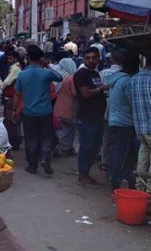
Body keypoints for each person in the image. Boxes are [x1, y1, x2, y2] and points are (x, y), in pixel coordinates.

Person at [13, 45, 62, 175]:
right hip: (45, 111)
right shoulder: (46, 73)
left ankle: (32, 165)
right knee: (46, 137)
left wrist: (14, 110)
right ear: (41, 58)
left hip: (28, 112)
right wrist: (47, 65)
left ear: (28, 58)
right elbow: (60, 77)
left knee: (30, 139)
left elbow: (17, 95)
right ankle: (45, 157)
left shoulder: (22, 75)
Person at [73, 47, 108, 186]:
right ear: (84, 59)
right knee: (87, 146)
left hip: (97, 117)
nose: (91, 60)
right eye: (88, 58)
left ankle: (86, 173)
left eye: (94, 57)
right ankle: (82, 175)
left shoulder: (95, 74)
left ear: (98, 58)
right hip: (87, 117)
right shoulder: (81, 74)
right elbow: (85, 93)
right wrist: (101, 89)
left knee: (95, 146)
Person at [106, 49, 137, 189]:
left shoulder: (116, 79)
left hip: (114, 120)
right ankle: (117, 181)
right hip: (125, 122)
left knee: (115, 151)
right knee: (123, 153)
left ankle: (113, 176)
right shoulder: (127, 81)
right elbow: (133, 102)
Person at [98, 51, 124, 171]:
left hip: (105, 104)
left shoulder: (103, 73)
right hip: (120, 106)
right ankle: (116, 162)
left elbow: (98, 88)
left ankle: (104, 161)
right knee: (118, 137)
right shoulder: (124, 74)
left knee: (106, 135)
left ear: (110, 60)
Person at [130, 55, 151, 187]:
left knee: (143, 156)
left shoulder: (134, 79)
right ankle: (149, 190)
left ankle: (140, 188)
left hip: (140, 126)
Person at [52, 58, 78, 156]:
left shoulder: (59, 77)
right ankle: (66, 148)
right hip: (69, 106)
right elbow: (75, 93)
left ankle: (58, 147)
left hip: (58, 106)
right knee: (68, 130)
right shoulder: (71, 78)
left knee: (59, 129)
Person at [1, 51, 23, 151]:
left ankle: (14, 141)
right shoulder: (17, 67)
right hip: (12, 96)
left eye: (10, 59)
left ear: (15, 58)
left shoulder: (16, 68)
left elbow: (7, 82)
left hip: (12, 97)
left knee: (11, 120)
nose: (8, 61)